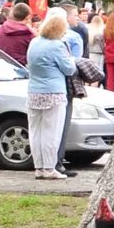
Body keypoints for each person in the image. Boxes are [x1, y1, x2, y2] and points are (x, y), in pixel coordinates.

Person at [24, 9, 75, 178]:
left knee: (35, 131)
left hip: (34, 91)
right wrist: (72, 60)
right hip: (54, 92)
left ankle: (38, 167)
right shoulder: (57, 45)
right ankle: (49, 167)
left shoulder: (34, 42)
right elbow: (69, 69)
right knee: (51, 132)